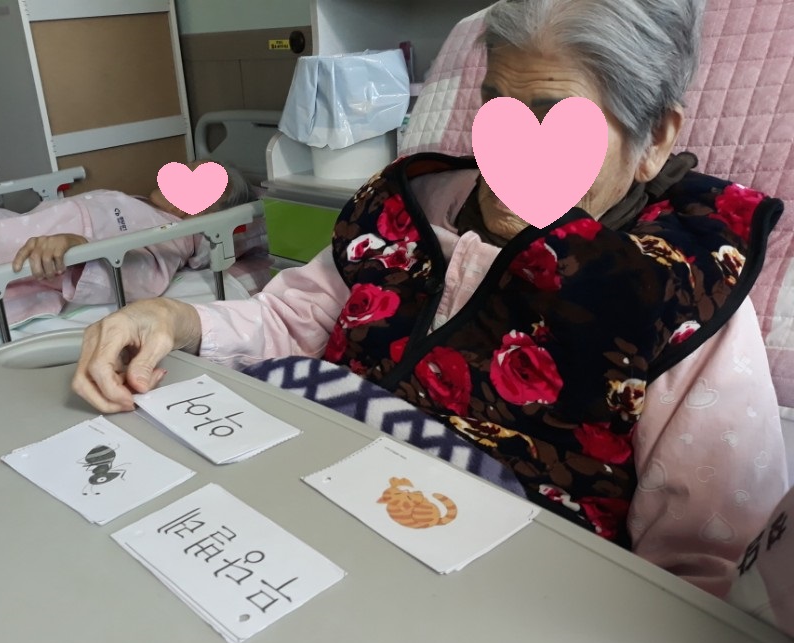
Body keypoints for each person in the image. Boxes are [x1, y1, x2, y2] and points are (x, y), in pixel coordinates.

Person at [72, 0, 789, 600]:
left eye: (556, 122)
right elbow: (288, 321)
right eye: (497, 109)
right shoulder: (411, 209)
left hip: (494, 596)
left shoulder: (684, 292)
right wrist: (172, 316)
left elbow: (701, 571)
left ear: (655, 138)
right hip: (299, 516)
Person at [0, 161, 265, 346]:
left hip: (6, 264)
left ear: (208, 212)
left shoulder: (172, 238)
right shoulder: (132, 203)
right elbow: (31, 223)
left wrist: (80, 251)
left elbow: (134, 277)